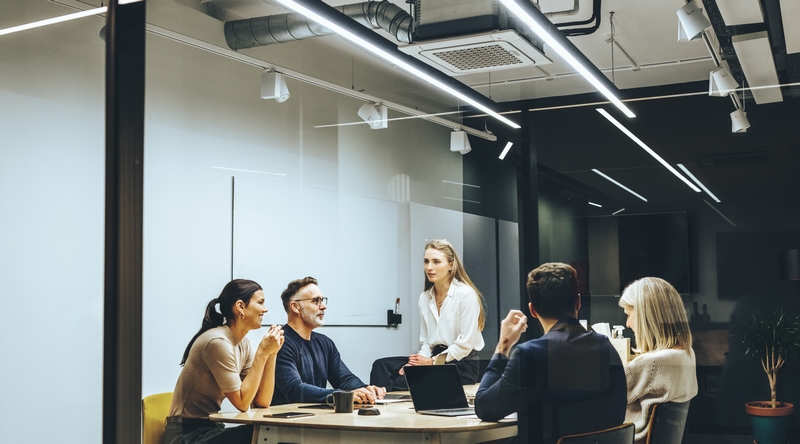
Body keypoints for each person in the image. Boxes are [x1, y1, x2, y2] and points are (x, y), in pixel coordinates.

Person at [475, 263, 627, 444]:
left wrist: (503, 345)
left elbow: (485, 408)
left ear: (532, 310)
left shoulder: (530, 354)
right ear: (578, 302)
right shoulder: (605, 347)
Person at [166, 279, 284, 444]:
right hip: (185, 435)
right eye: (260, 302)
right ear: (240, 307)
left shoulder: (243, 343)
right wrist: (262, 353)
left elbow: (261, 401)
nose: (265, 309)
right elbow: (242, 403)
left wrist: (272, 354)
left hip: (210, 429)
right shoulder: (217, 342)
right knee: (261, 434)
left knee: (267, 432)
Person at [370, 239, 486, 390]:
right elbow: (426, 342)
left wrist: (431, 362)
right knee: (381, 366)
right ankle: (378, 403)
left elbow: (465, 345)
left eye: (436, 262)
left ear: (451, 265)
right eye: (426, 261)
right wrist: (415, 364)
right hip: (433, 359)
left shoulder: (465, 295)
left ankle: (395, 406)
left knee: (401, 383)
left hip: (461, 364)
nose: (429, 267)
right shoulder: (425, 297)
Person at [272, 276, 386, 405]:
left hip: (314, 417)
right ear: (295, 307)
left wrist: (365, 389)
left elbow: (344, 379)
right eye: (316, 301)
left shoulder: (325, 343)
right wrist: (341, 395)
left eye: (323, 300)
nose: (323, 306)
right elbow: (294, 390)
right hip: (286, 420)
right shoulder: (280, 341)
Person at [618, 277, 697, 443]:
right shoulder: (687, 353)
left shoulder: (652, 364)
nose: (628, 324)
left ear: (645, 318)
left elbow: (609, 398)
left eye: (629, 315)